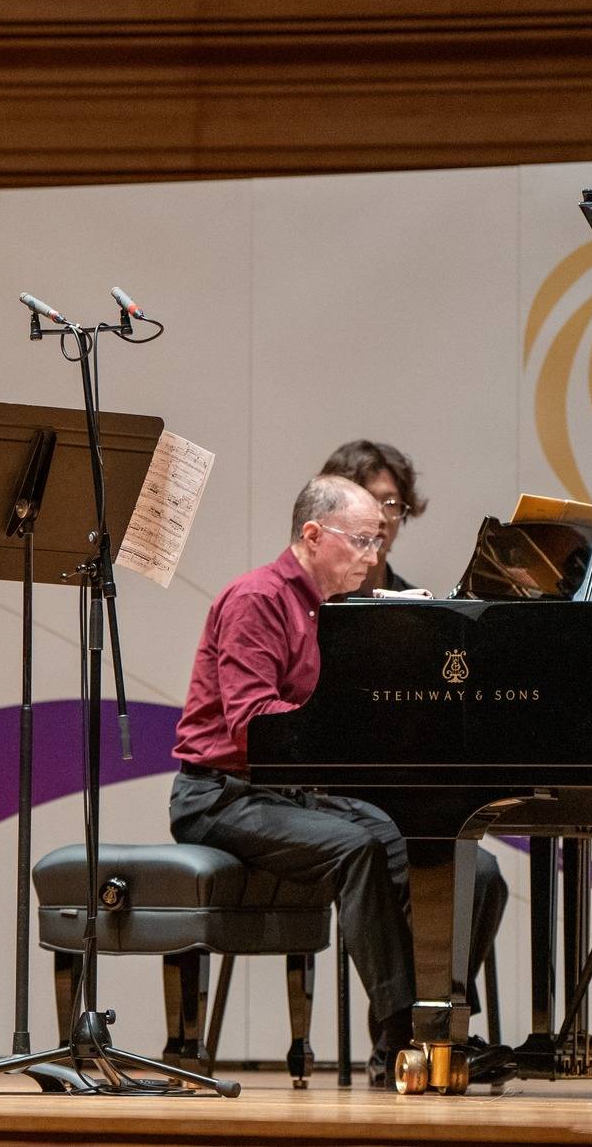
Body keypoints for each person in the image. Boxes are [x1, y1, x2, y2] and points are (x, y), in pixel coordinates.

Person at [167, 475, 507, 1085]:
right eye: (362, 541)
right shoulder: (257, 599)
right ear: (313, 535)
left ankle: (439, 1028)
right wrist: (350, 731)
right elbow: (253, 725)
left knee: (471, 868)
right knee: (360, 850)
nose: (374, 556)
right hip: (221, 795)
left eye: (378, 541)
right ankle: (400, 1038)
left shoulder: (343, 611)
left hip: (301, 793)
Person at [320, 439, 425, 595]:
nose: (380, 518)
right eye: (365, 501)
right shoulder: (307, 600)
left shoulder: (416, 604)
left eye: (391, 503)